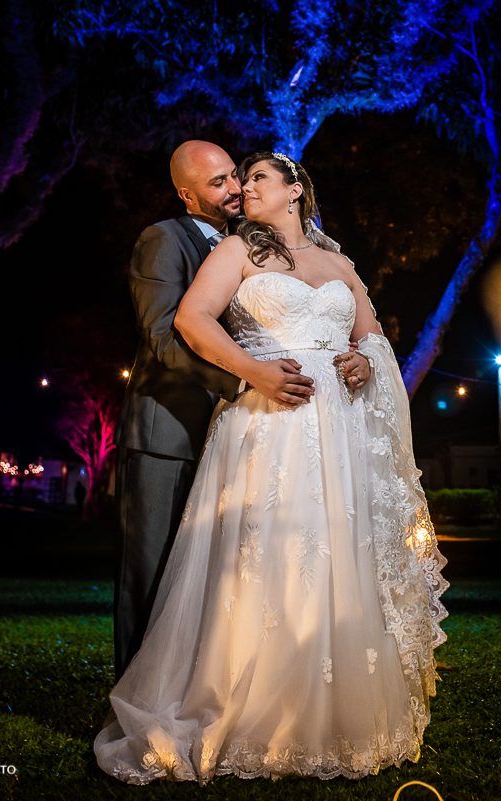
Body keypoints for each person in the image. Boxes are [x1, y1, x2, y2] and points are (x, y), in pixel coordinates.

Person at [94, 152, 448, 784]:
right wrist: (252, 371)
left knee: (336, 556)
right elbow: (188, 319)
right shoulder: (233, 253)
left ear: (295, 190)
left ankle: (333, 708)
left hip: (337, 432)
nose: (242, 188)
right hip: (267, 424)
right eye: (236, 179)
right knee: (265, 561)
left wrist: (364, 362)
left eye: (256, 177)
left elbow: (372, 337)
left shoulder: (339, 264)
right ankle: (247, 704)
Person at [112, 141, 317, 681]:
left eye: (235, 177)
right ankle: (132, 706)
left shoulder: (250, 247)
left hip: (238, 437)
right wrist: (246, 378)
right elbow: (162, 336)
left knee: (212, 574)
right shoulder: (163, 240)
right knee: (152, 572)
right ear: (186, 193)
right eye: (218, 183)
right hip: (167, 436)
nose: (235, 190)